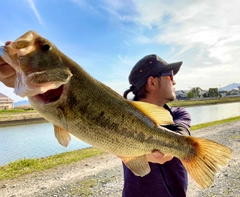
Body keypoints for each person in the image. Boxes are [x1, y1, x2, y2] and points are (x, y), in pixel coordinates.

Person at [122, 54, 191, 197]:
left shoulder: (179, 114)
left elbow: (182, 134)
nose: (174, 82)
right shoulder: (124, 118)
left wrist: (171, 147)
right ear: (152, 82)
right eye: (170, 76)